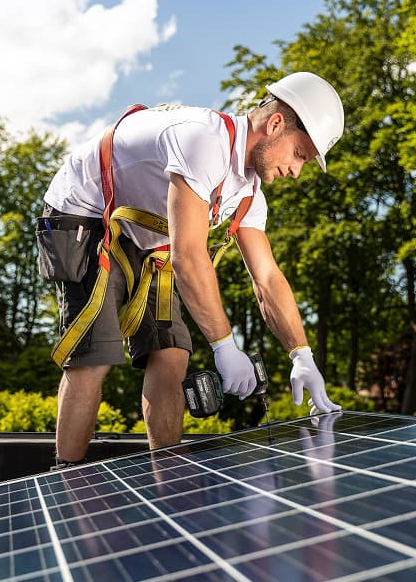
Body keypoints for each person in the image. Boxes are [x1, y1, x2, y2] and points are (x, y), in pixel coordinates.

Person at [40, 71, 344, 466]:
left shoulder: (249, 195)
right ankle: (68, 482)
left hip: (143, 237)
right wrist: (224, 346)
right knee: (94, 355)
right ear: (275, 124)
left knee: (172, 353)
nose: (296, 170)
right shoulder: (204, 141)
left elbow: (267, 277)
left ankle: (169, 473)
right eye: (299, 154)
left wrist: (301, 355)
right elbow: (188, 255)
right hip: (85, 215)